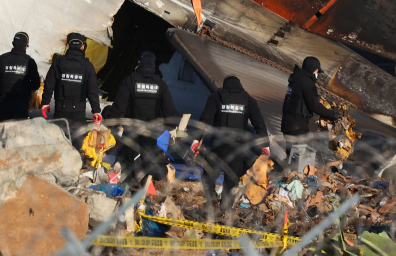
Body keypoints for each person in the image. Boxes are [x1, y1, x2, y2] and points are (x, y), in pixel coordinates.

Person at [192, 75, 269, 208]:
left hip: (218, 144)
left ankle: (211, 198)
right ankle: (224, 209)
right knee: (231, 180)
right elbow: (259, 123)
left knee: (209, 174)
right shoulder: (249, 100)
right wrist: (265, 145)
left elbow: (206, 119)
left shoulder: (216, 96)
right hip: (238, 147)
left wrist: (196, 140)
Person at [103, 51, 177, 184]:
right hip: (151, 133)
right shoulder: (161, 84)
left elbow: (119, 106)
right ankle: (142, 194)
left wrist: (110, 122)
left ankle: (122, 189)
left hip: (132, 131)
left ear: (139, 63)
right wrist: (170, 129)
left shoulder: (130, 81)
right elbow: (169, 110)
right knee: (148, 160)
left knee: (126, 160)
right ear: (153, 65)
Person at [41, 33, 102, 145]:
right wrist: (96, 111)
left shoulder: (59, 62)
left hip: (60, 109)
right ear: (82, 46)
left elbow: (49, 83)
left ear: (68, 45)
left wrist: (45, 103)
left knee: (59, 142)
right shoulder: (87, 65)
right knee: (77, 144)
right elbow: (92, 90)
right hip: (78, 112)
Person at [280, 56, 338, 161]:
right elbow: (314, 105)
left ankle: (282, 174)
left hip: (287, 124)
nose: (317, 73)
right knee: (296, 160)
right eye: (317, 70)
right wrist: (332, 115)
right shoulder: (307, 83)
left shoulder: (295, 80)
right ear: (313, 69)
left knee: (290, 157)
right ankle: (285, 175)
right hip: (298, 126)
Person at [0, 32, 40, 121]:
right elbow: (36, 84)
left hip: (5, 104)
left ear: (13, 43)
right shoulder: (30, 62)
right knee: (19, 132)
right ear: (26, 45)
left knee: (4, 131)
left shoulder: (2, 59)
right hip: (22, 105)